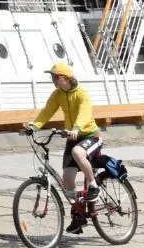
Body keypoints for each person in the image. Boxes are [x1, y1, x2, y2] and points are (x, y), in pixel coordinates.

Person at [26, 61, 102, 234]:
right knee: (67, 179)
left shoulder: (82, 94)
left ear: (66, 78)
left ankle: (93, 185)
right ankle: (78, 215)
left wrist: (76, 128)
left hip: (90, 135)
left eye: (55, 77)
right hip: (72, 136)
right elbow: (47, 111)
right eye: (52, 77)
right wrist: (34, 126)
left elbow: (84, 113)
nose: (53, 79)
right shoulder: (57, 94)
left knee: (77, 152)